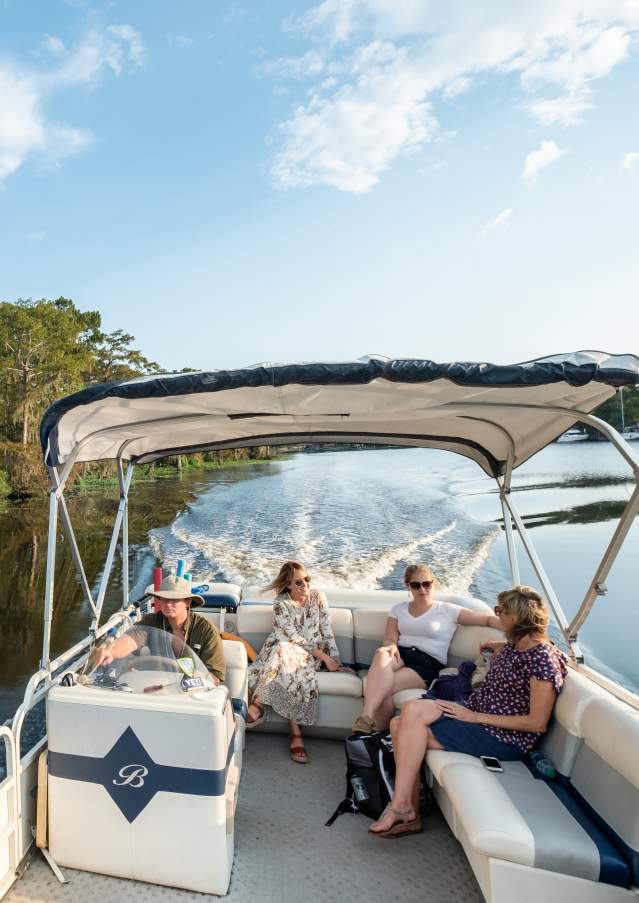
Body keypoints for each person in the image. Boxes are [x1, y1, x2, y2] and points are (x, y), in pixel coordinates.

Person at [369, 585, 568, 837]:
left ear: (516, 618)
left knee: (405, 725)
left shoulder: (542, 659)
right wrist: (495, 646)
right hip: (476, 714)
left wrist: (473, 716)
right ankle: (408, 809)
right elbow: (519, 653)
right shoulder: (517, 644)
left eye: (501, 611)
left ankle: (403, 808)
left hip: (502, 736)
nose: (497, 616)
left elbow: (536, 722)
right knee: (402, 720)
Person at [351, 564, 502, 733]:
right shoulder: (398, 609)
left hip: (426, 662)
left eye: (426, 584)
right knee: (382, 652)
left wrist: (513, 625)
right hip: (400, 653)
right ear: (408, 586)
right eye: (416, 585)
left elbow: (486, 621)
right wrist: (391, 645)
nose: (422, 589)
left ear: (433, 583)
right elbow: (390, 638)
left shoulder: (447, 610)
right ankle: (368, 721)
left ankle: (368, 724)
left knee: (381, 688)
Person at [246, 561, 346, 764]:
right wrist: (325, 657)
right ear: (288, 585)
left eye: (307, 580)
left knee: (284, 657)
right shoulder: (280, 604)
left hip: (312, 657)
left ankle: (258, 704)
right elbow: (293, 639)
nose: (305, 585)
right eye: (298, 582)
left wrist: (333, 661)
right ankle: (295, 732)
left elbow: (326, 631)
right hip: (282, 649)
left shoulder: (318, 597)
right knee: (283, 651)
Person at [90, 572, 225, 684]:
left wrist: (191, 680)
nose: (168, 604)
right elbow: (130, 640)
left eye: (174, 600)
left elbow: (214, 678)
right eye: (164, 599)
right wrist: (109, 651)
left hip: (193, 694)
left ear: (187, 602)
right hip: (157, 689)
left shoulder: (206, 630)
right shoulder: (151, 621)